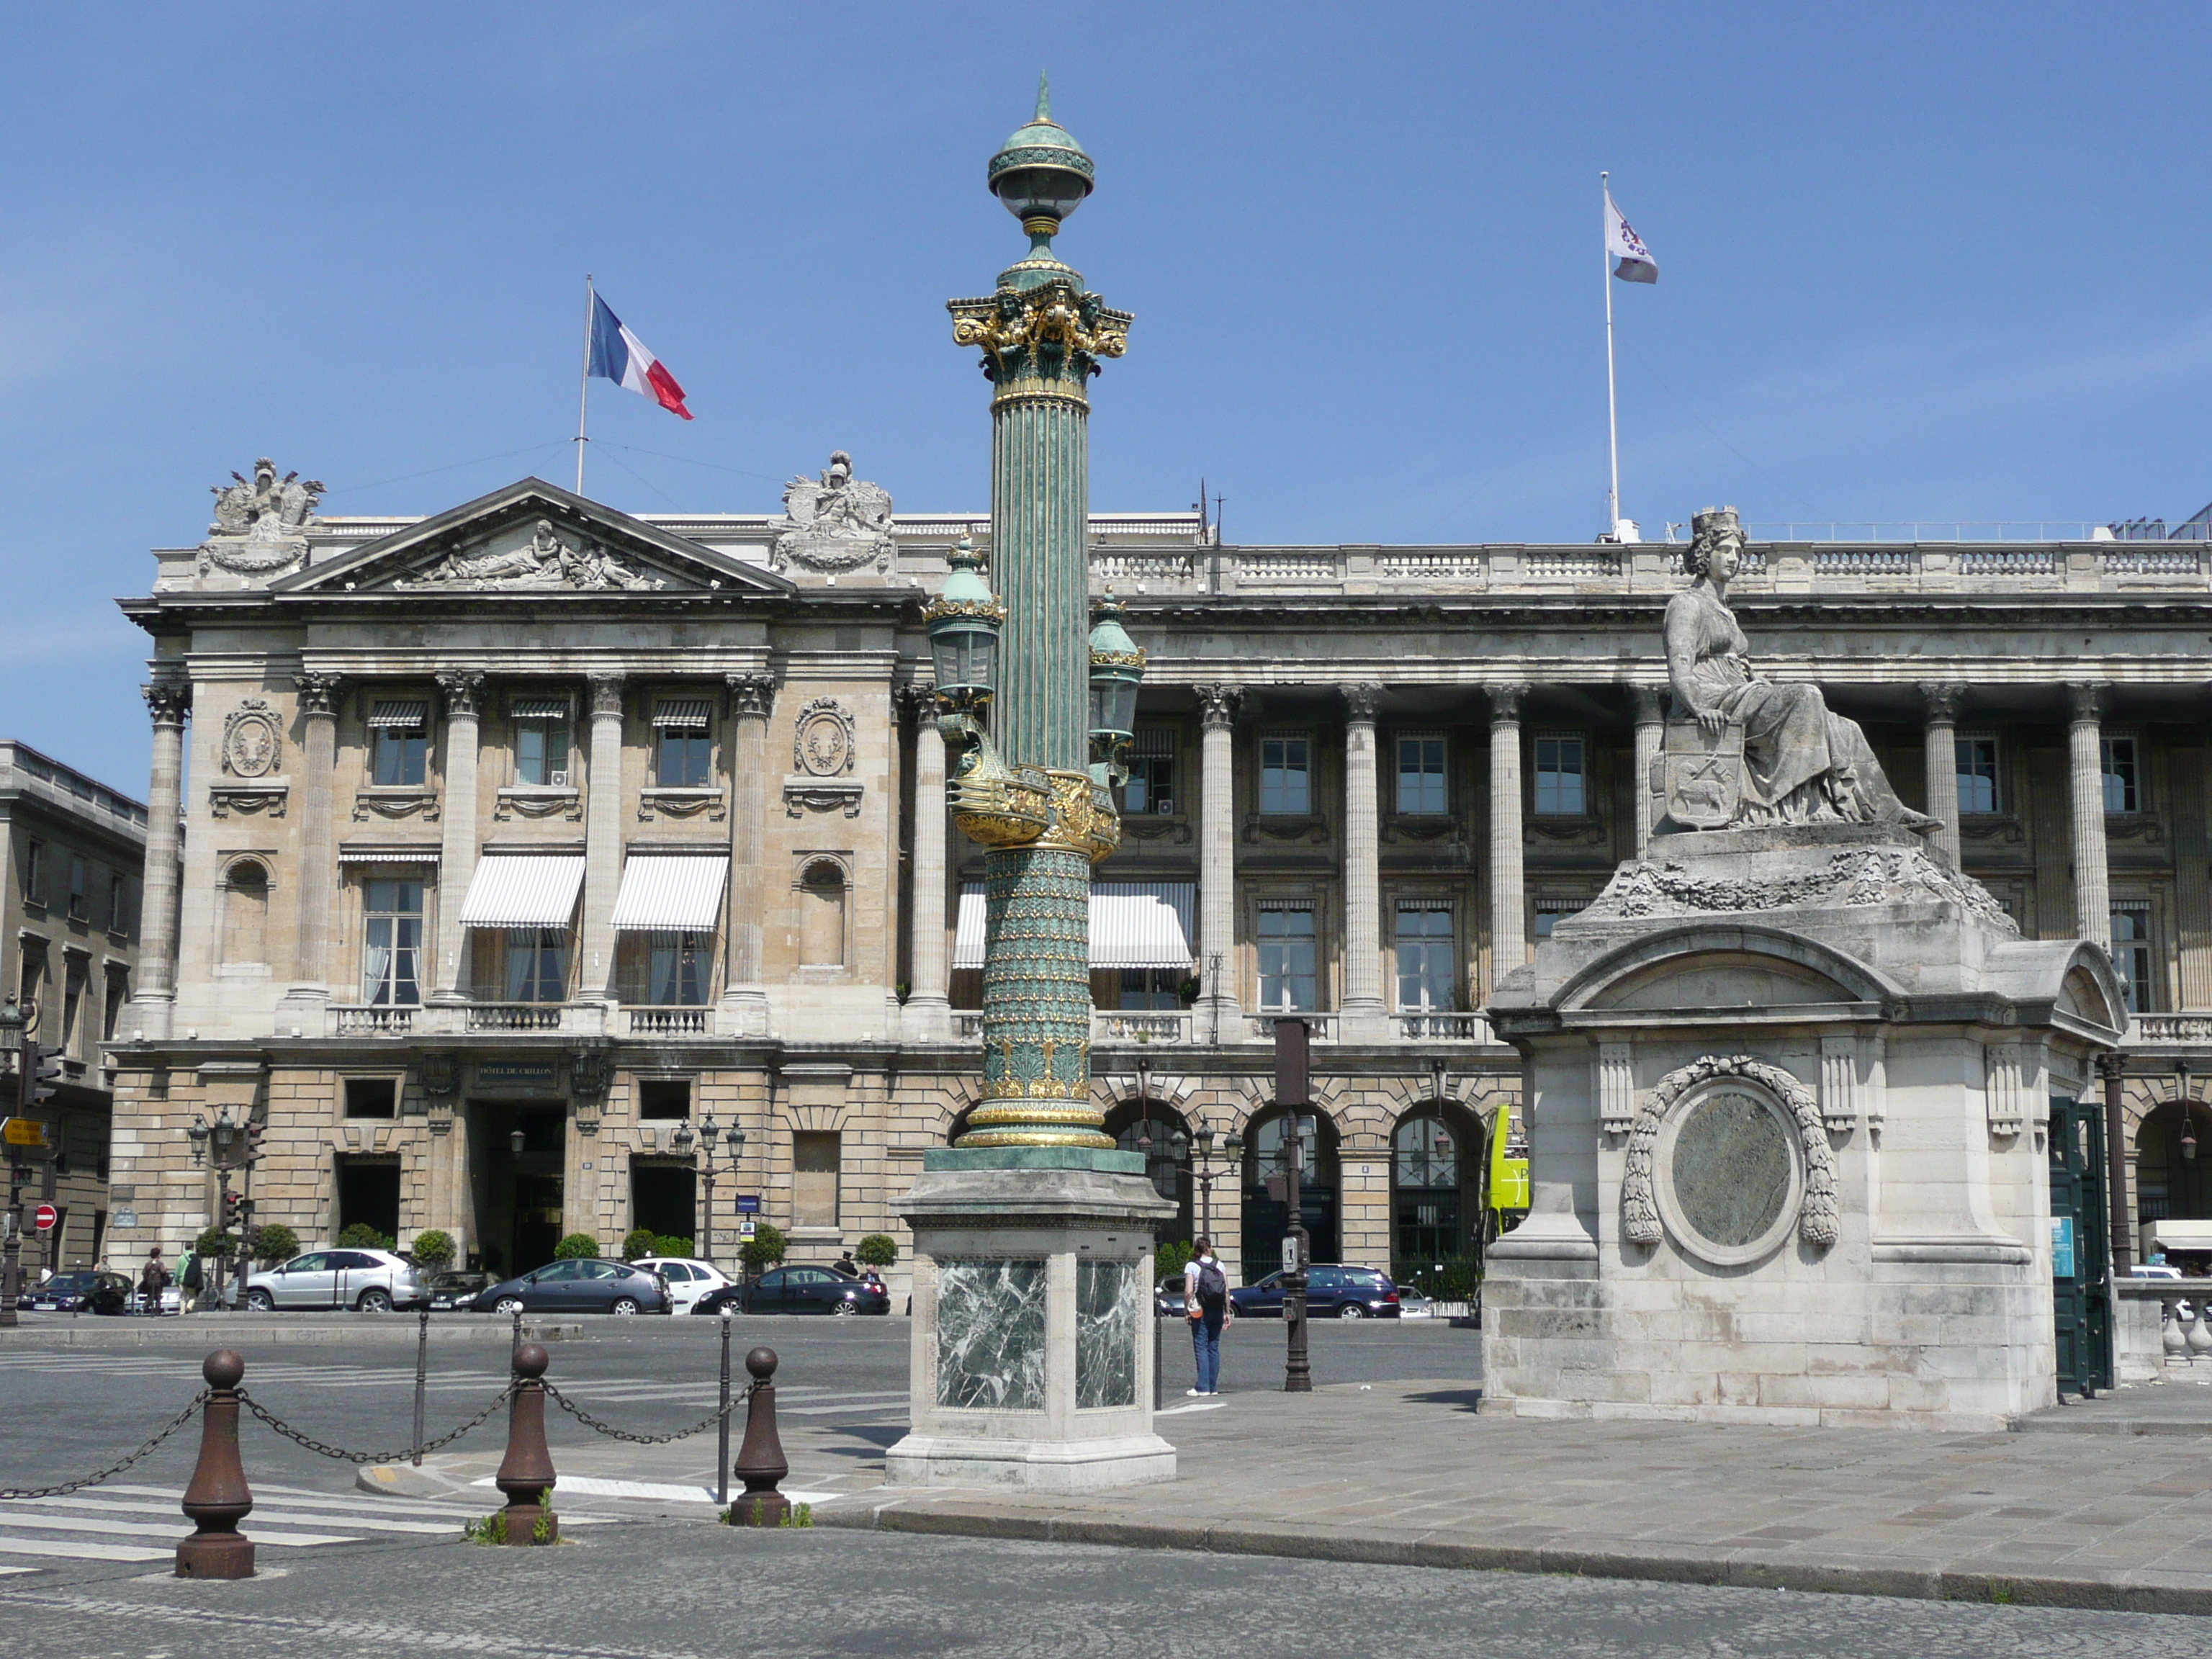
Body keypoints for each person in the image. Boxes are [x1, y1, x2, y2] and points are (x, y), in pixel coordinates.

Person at [1664, 505, 1938, 833]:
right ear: (1704, 555)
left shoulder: (1726, 612)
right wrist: (1700, 707)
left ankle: (1887, 810)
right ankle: (1808, 805)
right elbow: (1680, 669)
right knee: (1806, 697)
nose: (1733, 558)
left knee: (1843, 726)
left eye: (1738, 551)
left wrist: (1755, 681)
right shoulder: (1687, 604)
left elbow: (1738, 665)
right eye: (1724, 550)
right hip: (1713, 698)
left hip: (1740, 692)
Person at [1185, 1238, 1231, 1396]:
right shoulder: (1219, 1265)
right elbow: (1226, 1290)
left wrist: (1187, 1310)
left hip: (1201, 1310)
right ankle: (1212, 1387)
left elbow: (1189, 1292)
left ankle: (1202, 1387)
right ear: (1209, 1248)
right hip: (1217, 1310)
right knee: (1214, 1347)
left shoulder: (1192, 1266)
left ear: (1196, 1250)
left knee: (1201, 1347)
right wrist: (1227, 1312)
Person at [138, 1247, 170, 1316]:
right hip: (158, 1282)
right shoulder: (160, 1263)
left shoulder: (148, 1264)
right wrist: (165, 1269)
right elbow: (163, 1272)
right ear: (158, 1255)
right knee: (158, 1297)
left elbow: (144, 1273)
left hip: (149, 1282)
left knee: (150, 1296)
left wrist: (146, 1280)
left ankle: (143, 1308)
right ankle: (157, 1311)